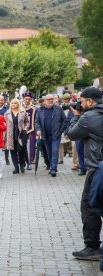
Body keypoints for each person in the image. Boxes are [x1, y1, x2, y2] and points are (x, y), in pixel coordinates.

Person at [67, 87, 103, 261]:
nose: (79, 104)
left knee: (89, 208)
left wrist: (76, 115)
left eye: (81, 101)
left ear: (90, 101)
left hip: (97, 169)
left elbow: (72, 134)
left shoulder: (88, 117)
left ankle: (92, 247)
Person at [35, 94, 66, 177]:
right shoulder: (40, 110)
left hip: (56, 135)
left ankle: (53, 169)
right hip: (45, 135)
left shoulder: (58, 109)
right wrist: (38, 129)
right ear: (45, 101)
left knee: (55, 151)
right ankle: (53, 167)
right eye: (48, 99)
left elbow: (64, 120)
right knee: (49, 152)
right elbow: (37, 121)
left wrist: (60, 131)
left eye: (52, 99)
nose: (50, 100)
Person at [4, 99, 29, 174]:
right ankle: (16, 168)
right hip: (10, 134)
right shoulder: (7, 113)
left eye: (15, 103)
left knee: (21, 150)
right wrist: (4, 135)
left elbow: (27, 122)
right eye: (12, 103)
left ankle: (22, 165)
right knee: (12, 151)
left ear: (18, 104)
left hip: (20, 134)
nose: (13, 104)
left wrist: (25, 129)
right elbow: (4, 124)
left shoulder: (23, 112)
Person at [22, 91, 36, 168]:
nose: (27, 100)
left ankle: (30, 161)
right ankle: (22, 161)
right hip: (21, 130)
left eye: (29, 99)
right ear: (23, 99)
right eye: (26, 99)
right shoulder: (20, 108)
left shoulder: (34, 109)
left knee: (30, 145)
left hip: (31, 130)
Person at [0, 95, 10, 165]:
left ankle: (7, 159)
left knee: (6, 144)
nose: (0, 102)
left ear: (4, 101)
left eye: (1, 100)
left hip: (5, 127)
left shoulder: (7, 108)